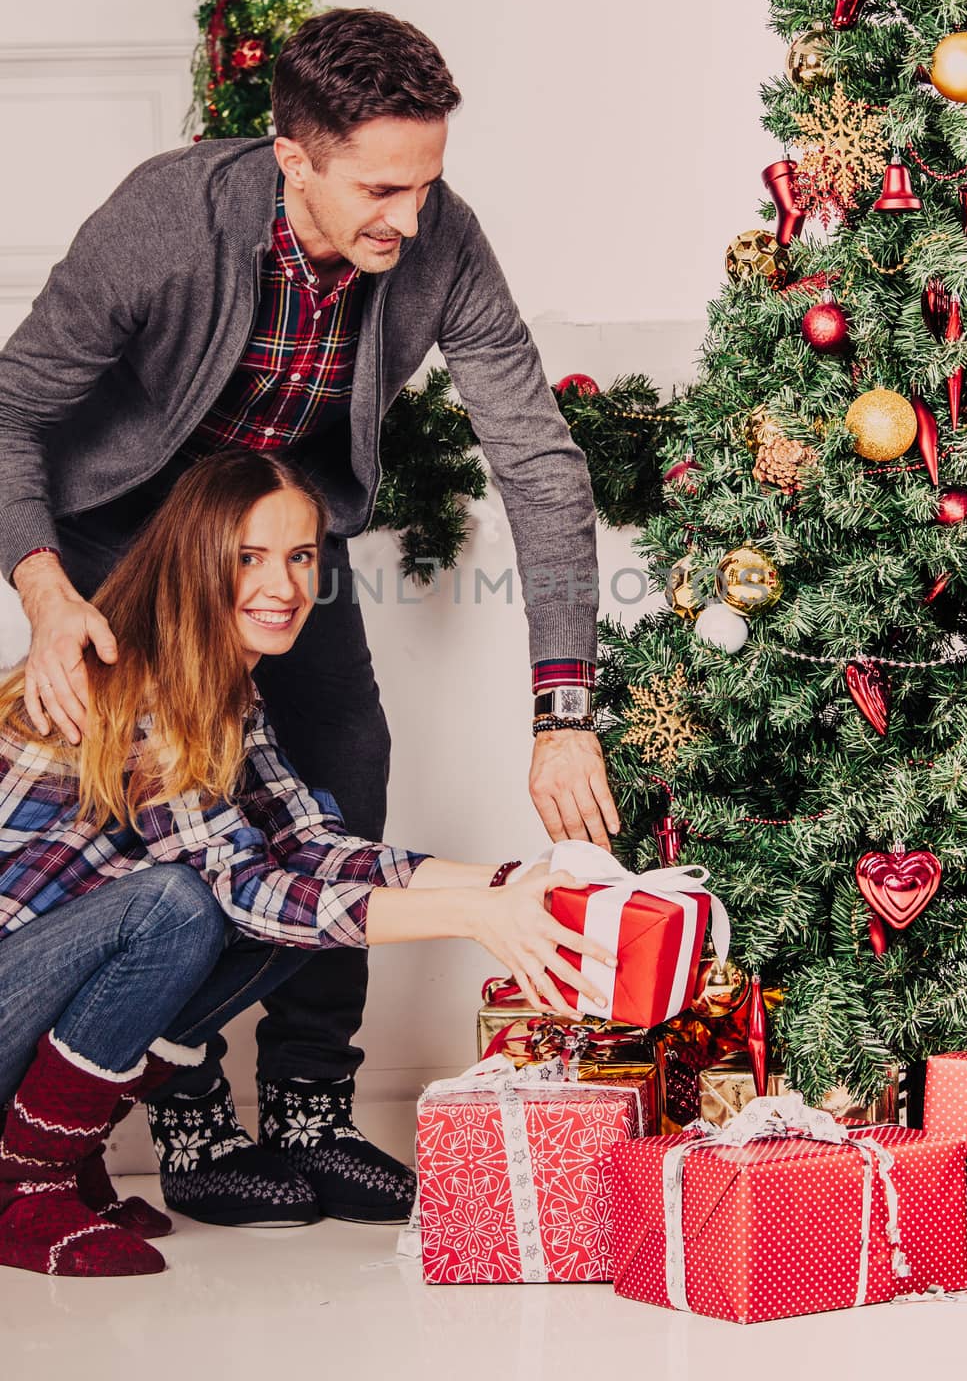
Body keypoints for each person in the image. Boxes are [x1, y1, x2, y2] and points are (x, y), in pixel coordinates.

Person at [0, 8, 620, 1227]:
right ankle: (182, 1114)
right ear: (294, 156)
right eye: (379, 187)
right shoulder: (168, 219)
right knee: (186, 828)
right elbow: (9, 408)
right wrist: (42, 588)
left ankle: (308, 1108)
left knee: (339, 772)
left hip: (283, 527)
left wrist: (562, 709)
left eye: (427, 183)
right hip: (124, 532)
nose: (410, 215)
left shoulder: (439, 240)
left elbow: (539, 462)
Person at [0, 451, 616, 1278]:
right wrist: (473, 919)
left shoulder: (224, 689)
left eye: (299, 557)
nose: (283, 587)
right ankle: (24, 1181)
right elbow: (244, 889)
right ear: (193, 559)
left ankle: (60, 1154)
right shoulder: (139, 678)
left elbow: (310, 850)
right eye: (248, 557)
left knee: (289, 924)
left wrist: (504, 884)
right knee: (180, 905)